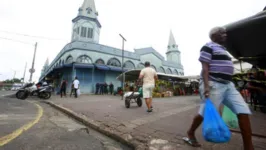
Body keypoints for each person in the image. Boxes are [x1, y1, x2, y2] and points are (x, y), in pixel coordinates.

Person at [184, 27, 253, 150]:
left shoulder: (223, 49)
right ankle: (190, 132)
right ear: (214, 35)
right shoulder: (208, 46)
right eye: (222, 33)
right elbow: (205, 67)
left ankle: (249, 147)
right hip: (213, 84)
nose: (225, 35)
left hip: (228, 85)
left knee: (243, 111)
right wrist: (206, 87)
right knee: (205, 113)